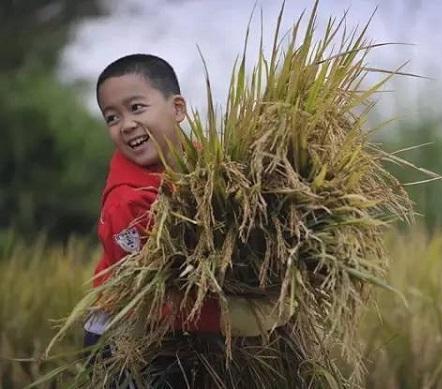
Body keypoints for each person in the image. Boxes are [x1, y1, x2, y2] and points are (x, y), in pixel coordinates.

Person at [84, 53, 289, 387]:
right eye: (112, 117)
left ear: (177, 109)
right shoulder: (128, 201)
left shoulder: (206, 164)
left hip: (186, 327)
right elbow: (145, 296)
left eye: (136, 108)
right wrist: (242, 319)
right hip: (126, 339)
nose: (126, 124)